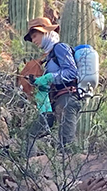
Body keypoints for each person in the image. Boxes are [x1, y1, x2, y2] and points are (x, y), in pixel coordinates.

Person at [22, 17, 80, 152]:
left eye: (35, 36)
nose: (34, 41)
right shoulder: (48, 58)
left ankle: (76, 170)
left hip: (67, 99)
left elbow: (72, 72)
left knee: (66, 146)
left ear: (46, 32)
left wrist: (49, 77)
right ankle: (29, 167)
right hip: (55, 103)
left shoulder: (60, 48)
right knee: (30, 134)